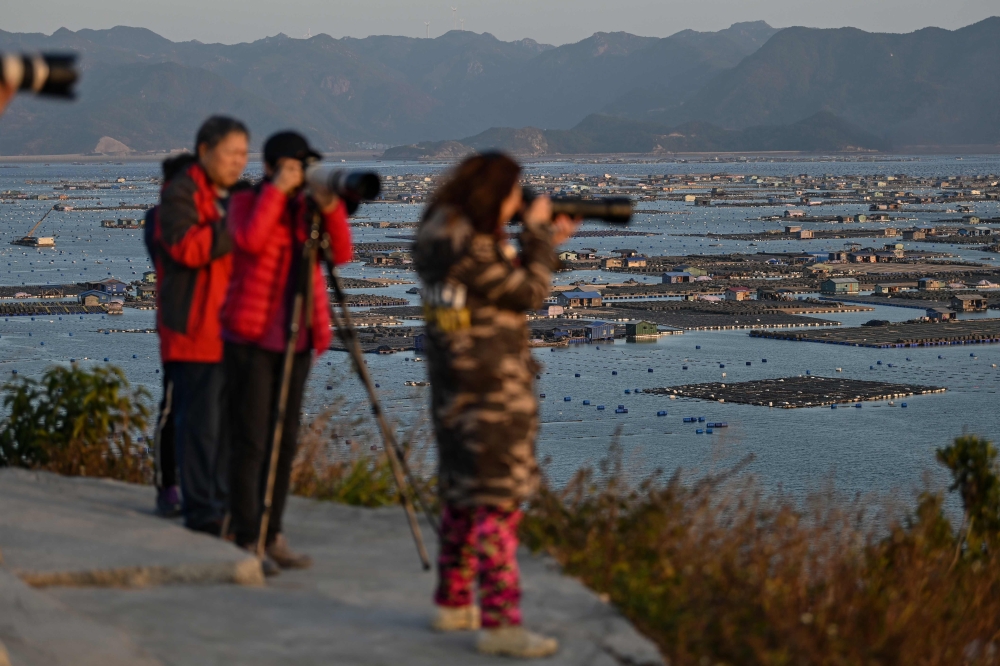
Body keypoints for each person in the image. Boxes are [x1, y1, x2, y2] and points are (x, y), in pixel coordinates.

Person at [413, 152, 580, 659]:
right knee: (497, 507)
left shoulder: (442, 237)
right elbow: (529, 291)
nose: (518, 201)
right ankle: (501, 622)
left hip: (457, 389)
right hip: (489, 392)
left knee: (465, 498)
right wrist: (538, 240)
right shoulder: (470, 247)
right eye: (514, 192)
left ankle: (454, 600)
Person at [221, 131, 352, 574]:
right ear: (274, 166)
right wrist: (276, 191)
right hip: (252, 337)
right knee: (252, 440)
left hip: (298, 339)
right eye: (294, 166)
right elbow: (250, 242)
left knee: (284, 440)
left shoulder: (306, 211)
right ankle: (244, 535)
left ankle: (271, 534)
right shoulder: (246, 200)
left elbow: (344, 254)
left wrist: (331, 206)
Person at [147, 116, 249, 535]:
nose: (239, 162)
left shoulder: (219, 197)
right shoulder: (176, 201)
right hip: (190, 330)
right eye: (232, 153)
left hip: (227, 328)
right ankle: (197, 506)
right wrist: (237, 222)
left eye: (244, 154)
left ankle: (216, 502)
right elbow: (188, 250)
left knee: (223, 425)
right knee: (195, 423)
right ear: (205, 152)